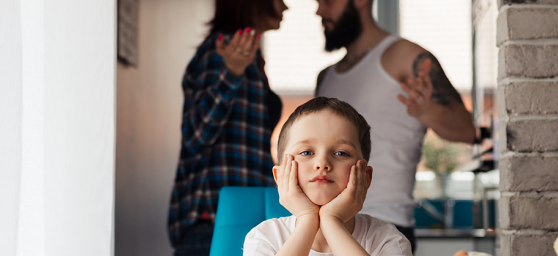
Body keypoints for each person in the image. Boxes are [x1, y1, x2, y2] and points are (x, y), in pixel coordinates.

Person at [314, 0, 477, 251]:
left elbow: (467, 130)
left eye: (327, 1)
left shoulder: (404, 57)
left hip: (386, 226)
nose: (319, 11)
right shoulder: (326, 77)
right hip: (326, 227)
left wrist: (427, 110)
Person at [167, 0, 288, 255]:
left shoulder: (250, 59)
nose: (285, 7)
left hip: (245, 221)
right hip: (215, 222)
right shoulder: (220, 52)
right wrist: (231, 74)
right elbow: (196, 136)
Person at [243, 97, 413, 256]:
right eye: (306, 152)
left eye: (341, 153)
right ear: (280, 176)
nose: (322, 163)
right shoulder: (263, 238)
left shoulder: (387, 240)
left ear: (365, 177)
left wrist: (333, 220)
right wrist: (307, 219)